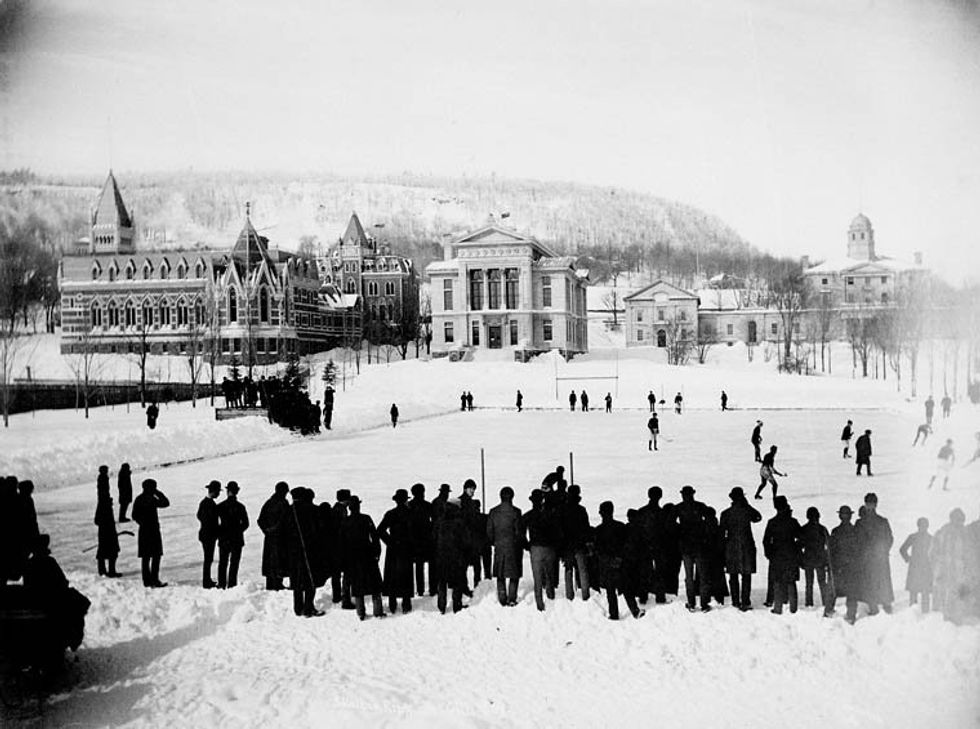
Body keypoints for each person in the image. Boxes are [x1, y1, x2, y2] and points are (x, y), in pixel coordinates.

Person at [23, 534, 91, 655]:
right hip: (52, 600)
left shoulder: (29, 564)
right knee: (78, 603)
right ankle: (73, 638)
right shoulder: (50, 562)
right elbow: (61, 581)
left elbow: (27, 585)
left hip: (33, 600)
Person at [594, 501, 644, 620]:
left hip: (607, 564)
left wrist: (605, 560)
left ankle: (614, 614)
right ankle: (635, 611)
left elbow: (598, 549)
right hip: (620, 562)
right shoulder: (620, 526)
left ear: (601, 513)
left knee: (610, 592)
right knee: (626, 589)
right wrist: (619, 558)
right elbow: (626, 545)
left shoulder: (599, 530)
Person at [341, 495, 385, 620]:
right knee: (375, 585)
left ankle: (361, 612)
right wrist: (377, 553)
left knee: (357, 585)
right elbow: (375, 537)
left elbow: (342, 542)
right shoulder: (366, 519)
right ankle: (378, 611)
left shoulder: (345, 522)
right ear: (359, 507)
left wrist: (344, 560)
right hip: (368, 555)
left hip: (352, 557)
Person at [719, 486, 762, 611]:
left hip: (731, 547)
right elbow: (758, 517)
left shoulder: (726, 513)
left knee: (733, 575)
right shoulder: (747, 511)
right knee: (746, 575)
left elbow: (722, 533)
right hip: (747, 546)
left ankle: (735, 601)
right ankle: (745, 601)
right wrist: (747, 505)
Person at [285, 487, 325, 617]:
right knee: (310, 580)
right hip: (310, 551)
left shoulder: (288, 511)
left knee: (296, 580)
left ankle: (297, 608)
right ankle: (309, 608)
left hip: (292, 552)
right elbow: (318, 530)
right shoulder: (311, 510)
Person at [855, 492, 894, 616]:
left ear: (876, 505)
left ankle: (886, 606)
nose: (870, 507)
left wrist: (884, 550)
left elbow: (889, 538)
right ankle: (873, 607)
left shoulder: (883, 521)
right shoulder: (860, 523)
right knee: (869, 582)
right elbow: (856, 540)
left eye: (872, 504)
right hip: (867, 559)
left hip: (879, 558)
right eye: (868, 504)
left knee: (882, 581)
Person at [930, 508, 971, 623]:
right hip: (950, 570)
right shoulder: (945, 533)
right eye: (958, 520)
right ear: (952, 519)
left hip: (954, 570)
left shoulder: (961, 533)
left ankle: (952, 620)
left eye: (961, 520)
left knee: (954, 594)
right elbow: (932, 553)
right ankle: (949, 621)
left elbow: (932, 553)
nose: (960, 523)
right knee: (949, 594)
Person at [378, 489, 415, 614]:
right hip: (406, 548)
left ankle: (392, 604)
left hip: (393, 549)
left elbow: (380, 530)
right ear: (405, 500)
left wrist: (390, 542)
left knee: (392, 576)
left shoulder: (390, 513)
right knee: (406, 575)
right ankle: (406, 604)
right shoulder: (410, 513)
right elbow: (414, 532)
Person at [675, 485, 711, 612]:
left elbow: (670, 524)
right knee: (703, 576)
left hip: (685, 546)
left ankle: (691, 603)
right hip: (700, 545)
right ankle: (704, 604)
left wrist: (680, 531)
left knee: (689, 576)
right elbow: (710, 519)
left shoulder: (679, 508)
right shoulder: (700, 506)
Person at [764, 496, 802, 615]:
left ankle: (778, 608)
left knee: (777, 582)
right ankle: (793, 608)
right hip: (790, 555)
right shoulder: (792, 522)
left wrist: (770, 554)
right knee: (791, 582)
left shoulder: (772, 522)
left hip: (776, 556)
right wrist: (796, 548)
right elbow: (801, 537)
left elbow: (766, 541)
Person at [523, 489, 561, 611]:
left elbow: (520, 532)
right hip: (549, 548)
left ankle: (540, 604)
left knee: (537, 578)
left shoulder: (528, 515)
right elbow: (557, 532)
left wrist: (526, 545)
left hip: (535, 548)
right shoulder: (551, 514)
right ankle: (551, 599)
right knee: (550, 576)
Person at [486, 486, 523, 606]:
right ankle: (512, 598)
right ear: (512, 497)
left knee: (500, 573)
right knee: (514, 574)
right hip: (513, 547)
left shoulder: (493, 512)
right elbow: (519, 532)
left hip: (499, 546)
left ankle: (502, 596)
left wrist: (494, 542)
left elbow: (489, 531)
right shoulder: (516, 512)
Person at [132, 478, 170, 588]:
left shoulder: (140, 498)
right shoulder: (151, 498)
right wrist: (158, 493)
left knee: (147, 557)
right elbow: (165, 503)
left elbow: (134, 515)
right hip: (151, 530)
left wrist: (141, 523)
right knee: (154, 556)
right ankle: (154, 580)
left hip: (145, 530)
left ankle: (147, 581)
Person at [433, 498, 469, 614]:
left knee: (442, 582)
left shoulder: (439, 522)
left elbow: (433, 539)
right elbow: (466, 541)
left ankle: (441, 606)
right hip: (456, 558)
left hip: (441, 557)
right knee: (457, 582)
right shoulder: (460, 522)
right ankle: (456, 605)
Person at [827, 505, 860, 620]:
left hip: (838, 566)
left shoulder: (835, 531)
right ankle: (851, 615)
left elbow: (831, 551)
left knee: (834, 589)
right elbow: (858, 550)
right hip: (851, 566)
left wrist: (832, 565)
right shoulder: (855, 531)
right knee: (852, 591)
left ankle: (828, 611)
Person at [560, 484, 591, 601]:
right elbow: (586, 528)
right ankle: (585, 595)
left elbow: (560, 528)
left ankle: (569, 595)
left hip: (567, 545)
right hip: (579, 544)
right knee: (582, 570)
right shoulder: (581, 510)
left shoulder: (563, 509)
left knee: (568, 570)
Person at [258, 481, 290, 590]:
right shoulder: (284, 503)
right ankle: (277, 583)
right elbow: (286, 521)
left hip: (270, 537)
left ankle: (270, 583)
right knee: (279, 561)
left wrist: (267, 530)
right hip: (280, 537)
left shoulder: (269, 502)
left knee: (270, 561)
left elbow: (260, 520)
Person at [217, 481, 249, 589]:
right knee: (234, 563)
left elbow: (214, 522)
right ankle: (232, 584)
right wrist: (237, 531)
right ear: (237, 492)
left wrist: (221, 532)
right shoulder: (240, 507)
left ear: (227, 491)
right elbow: (246, 523)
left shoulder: (220, 506)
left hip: (224, 538)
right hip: (237, 539)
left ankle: (221, 584)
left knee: (222, 563)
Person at [899, 517, 933, 612]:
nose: (923, 527)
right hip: (915, 569)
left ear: (927, 526)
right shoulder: (913, 537)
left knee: (925, 594)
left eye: (925, 525)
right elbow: (902, 549)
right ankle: (912, 617)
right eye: (921, 525)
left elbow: (935, 554)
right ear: (918, 526)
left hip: (925, 569)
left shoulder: (931, 539)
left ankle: (925, 616)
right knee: (913, 594)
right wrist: (908, 559)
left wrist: (932, 564)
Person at [800, 507, 830, 610]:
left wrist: (801, 559)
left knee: (809, 583)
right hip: (820, 559)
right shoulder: (822, 529)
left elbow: (799, 545)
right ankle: (825, 602)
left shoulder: (804, 529)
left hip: (808, 559)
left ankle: (809, 603)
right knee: (822, 583)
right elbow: (829, 546)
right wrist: (827, 560)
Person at [407, 482, 434, 597]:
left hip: (414, 540)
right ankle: (432, 588)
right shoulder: (427, 505)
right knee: (431, 565)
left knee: (419, 566)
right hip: (426, 540)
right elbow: (434, 521)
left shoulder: (409, 506)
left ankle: (420, 589)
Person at [331, 489, 354, 608]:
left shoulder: (335, 509)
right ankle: (345, 598)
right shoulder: (341, 511)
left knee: (336, 574)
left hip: (334, 547)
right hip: (341, 547)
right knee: (346, 573)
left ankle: (336, 596)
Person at [197, 481, 221, 588]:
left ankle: (207, 580)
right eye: (218, 492)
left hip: (205, 534)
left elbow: (199, 515)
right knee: (208, 558)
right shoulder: (209, 503)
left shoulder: (204, 502)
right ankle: (206, 581)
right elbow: (208, 520)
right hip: (208, 535)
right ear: (214, 491)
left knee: (208, 558)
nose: (219, 494)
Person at [94, 483, 121, 577]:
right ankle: (106, 571)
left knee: (109, 552)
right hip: (106, 533)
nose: (112, 503)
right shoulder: (104, 508)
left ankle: (107, 571)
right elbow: (97, 521)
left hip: (107, 532)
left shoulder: (105, 508)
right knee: (108, 552)